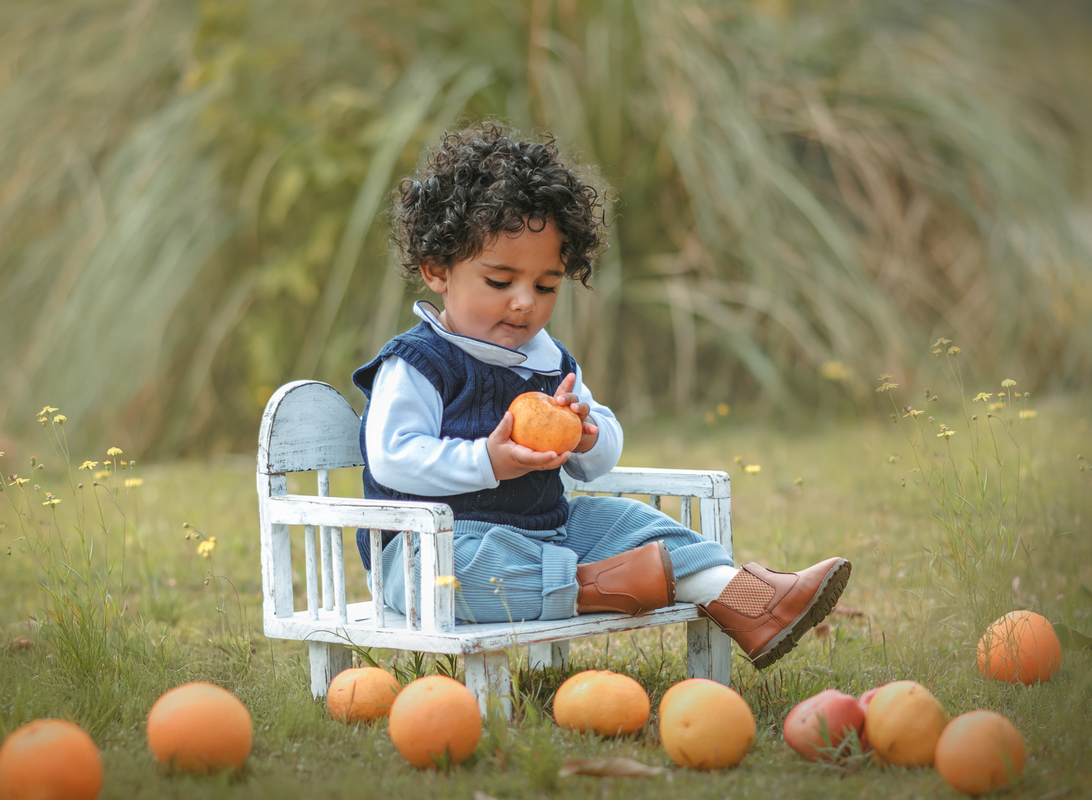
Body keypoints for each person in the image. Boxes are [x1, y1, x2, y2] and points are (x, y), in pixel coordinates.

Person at [352, 121, 849, 669]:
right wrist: (487, 461)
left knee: (634, 525)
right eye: (500, 282)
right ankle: (597, 587)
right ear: (437, 269)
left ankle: (752, 601)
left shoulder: (548, 360)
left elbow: (602, 455)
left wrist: (587, 435)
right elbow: (393, 458)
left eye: (545, 286)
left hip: (547, 531)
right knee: (469, 571)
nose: (524, 304)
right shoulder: (419, 362)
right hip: (432, 550)